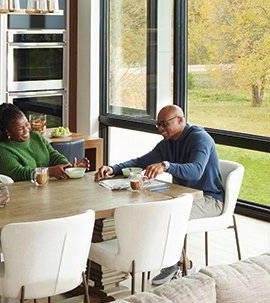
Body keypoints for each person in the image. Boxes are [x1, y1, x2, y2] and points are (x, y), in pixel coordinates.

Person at [95, 104, 222, 284]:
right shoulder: (167, 143)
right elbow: (141, 162)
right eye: (158, 124)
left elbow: (196, 171)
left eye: (164, 124)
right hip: (182, 197)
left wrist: (166, 166)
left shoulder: (200, 139)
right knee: (150, 212)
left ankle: (181, 266)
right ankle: (175, 263)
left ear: (180, 120)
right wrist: (113, 168)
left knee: (165, 217)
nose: (160, 129)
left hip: (209, 199)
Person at [0, 103, 89, 184]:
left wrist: (68, 167)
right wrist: (49, 171)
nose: (27, 130)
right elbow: (19, 174)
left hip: (43, 190)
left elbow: (53, 155)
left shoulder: (36, 137)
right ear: (7, 131)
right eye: (20, 129)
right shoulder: (2, 150)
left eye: (27, 124)